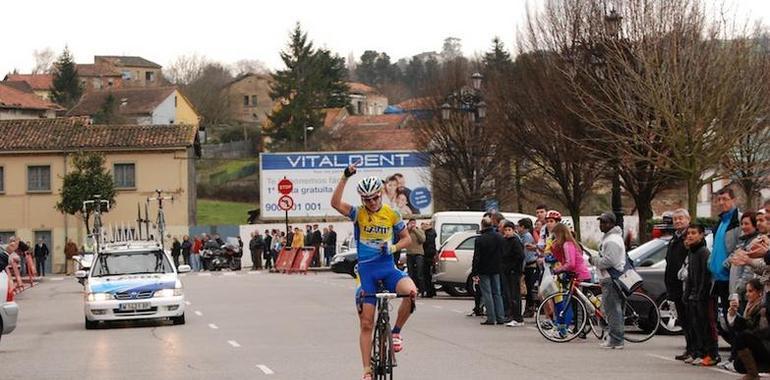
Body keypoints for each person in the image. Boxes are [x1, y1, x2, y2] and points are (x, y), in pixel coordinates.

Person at [330, 162, 417, 380]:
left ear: (380, 194)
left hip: (388, 268)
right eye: (367, 199)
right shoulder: (358, 213)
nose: (372, 202)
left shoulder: (392, 213)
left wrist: (394, 247)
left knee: (411, 292)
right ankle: (367, 370)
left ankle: (396, 332)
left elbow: (406, 238)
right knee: (367, 322)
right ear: (362, 200)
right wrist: (345, 176)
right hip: (367, 271)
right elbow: (335, 203)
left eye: (375, 197)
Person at [684, 224, 720, 366]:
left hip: (705, 296)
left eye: (694, 233)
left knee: (707, 325)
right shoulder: (691, 252)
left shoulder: (704, 252)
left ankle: (712, 354)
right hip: (694, 296)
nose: (690, 236)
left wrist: (701, 294)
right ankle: (700, 352)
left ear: (701, 235)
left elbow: (706, 277)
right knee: (696, 325)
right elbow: (690, 277)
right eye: (689, 233)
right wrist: (687, 293)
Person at [591, 212, 626, 349]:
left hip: (611, 279)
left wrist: (594, 260)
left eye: (605, 222)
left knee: (612, 310)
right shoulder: (610, 238)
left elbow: (609, 261)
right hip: (609, 278)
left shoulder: (612, 240)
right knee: (612, 310)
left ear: (612, 224)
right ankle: (615, 338)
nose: (602, 225)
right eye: (601, 222)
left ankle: (616, 340)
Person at [710, 188, 741, 343]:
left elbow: (740, 246)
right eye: (719, 200)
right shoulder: (721, 222)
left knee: (734, 316)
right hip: (719, 278)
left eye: (725, 199)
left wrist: (726, 264)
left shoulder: (738, 221)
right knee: (726, 319)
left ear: (733, 200)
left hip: (732, 277)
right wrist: (711, 263)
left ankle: (738, 353)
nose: (721, 203)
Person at [727, 278, 769, 379]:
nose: (747, 294)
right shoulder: (750, 305)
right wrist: (733, 313)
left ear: (759, 292)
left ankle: (753, 375)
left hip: (766, 344)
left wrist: (738, 319)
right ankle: (756, 371)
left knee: (742, 337)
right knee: (738, 364)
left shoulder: (762, 307)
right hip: (759, 343)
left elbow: (762, 330)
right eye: (746, 291)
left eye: (750, 291)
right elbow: (742, 326)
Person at [666, 209, 694, 361]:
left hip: (685, 284)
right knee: (683, 319)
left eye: (681, 218)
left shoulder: (689, 238)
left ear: (688, 219)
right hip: (675, 286)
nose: (678, 221)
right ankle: (689, 348)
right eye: (675, 218)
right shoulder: (674, 239)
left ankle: (695, 349)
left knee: (691, 319)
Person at [472, 215, 508, 326]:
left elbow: (477, 257)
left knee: (487, 293)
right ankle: (500, 317)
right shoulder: (499, 237)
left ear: (482, 225)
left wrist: (475, 271)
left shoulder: (480, 239)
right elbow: (503, 253)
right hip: (497, 268)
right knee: (497, 292)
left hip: (484, 269)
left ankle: (491, 317)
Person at [501, 220, 525, 326]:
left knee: (515, 295)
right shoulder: (505, 241)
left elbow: (520, 256)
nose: (507, 232)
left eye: (509, 230)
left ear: (513, 230)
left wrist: (513, 268)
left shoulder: (515, 241)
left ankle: (518, 318)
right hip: (506, 271)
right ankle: (512, 315)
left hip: (514, 272)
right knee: (510, 295)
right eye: (505, 230)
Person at [517, 219, 539, 318]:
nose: (517, 228)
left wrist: (521, 268)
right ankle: (529, 308)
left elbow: (525, 254)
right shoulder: (524, 236)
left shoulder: (526, 237)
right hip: (528, 264)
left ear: (523, 227)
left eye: (518, 226)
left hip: (530, 265)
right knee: (528, 288)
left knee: (529, 288)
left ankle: (530, 308)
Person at [405, 218, 426, 295]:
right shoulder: (407, 231)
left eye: (414, 223)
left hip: (418, 254)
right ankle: (411, 289)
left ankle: (422, 290)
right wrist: (408, 229)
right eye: (411, 223)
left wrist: (415, 230)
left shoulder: (419, 230)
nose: (413, 224)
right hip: (409, 254)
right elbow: (402, 238)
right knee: (410, 273)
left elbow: (423, 239)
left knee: (419, 273)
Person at [422, 222, 437, 298]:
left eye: (425, 225)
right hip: (430, 255)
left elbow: (426, 243)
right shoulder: (432, 232)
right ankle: (431, 291)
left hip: (428, 255)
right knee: (429, 275)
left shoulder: (429, 233)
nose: (423, 226)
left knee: (427, 274)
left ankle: (430, 291)